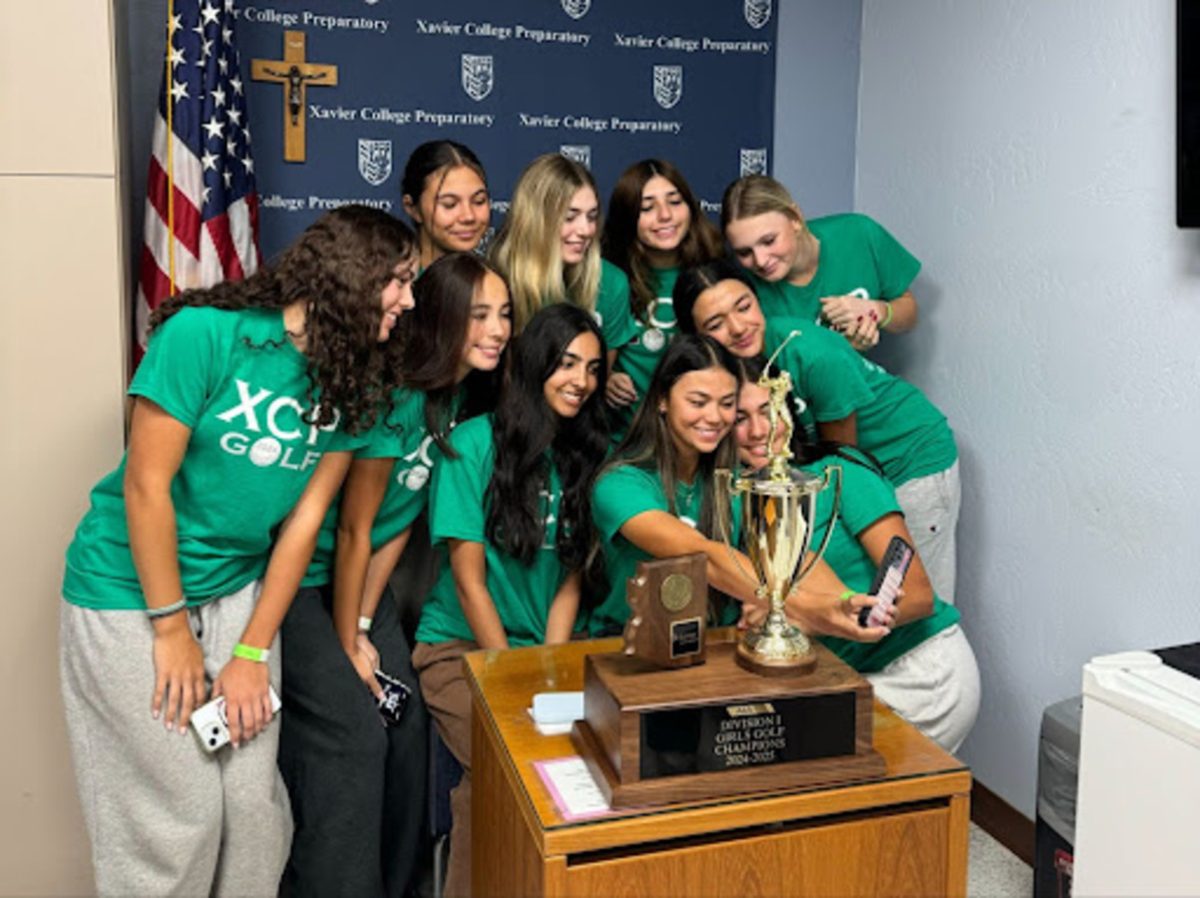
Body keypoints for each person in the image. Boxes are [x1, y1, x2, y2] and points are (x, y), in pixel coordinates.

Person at [59, 206, 415, 896]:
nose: (407, 300)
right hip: (129, 590)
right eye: (397, 281)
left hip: (236, 593)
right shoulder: (206, 336)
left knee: (254, 813)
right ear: (349, 274)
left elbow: (305, 524)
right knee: (181, 817)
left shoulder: (353, 381)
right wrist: (169, 628)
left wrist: (251, 652)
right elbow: (145, 486)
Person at [276, 253, 509, 898]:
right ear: (442, 318)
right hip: (303, 582)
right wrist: (351, 634)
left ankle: (404, 886)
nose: (496, 329)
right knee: (355, 736)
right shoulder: (393, 390)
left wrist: (364, 621)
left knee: (403, 725)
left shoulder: (465, 400)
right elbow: (353, 528)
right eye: (479, 315)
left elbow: (396, 523)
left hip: (360, 588)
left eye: (504, 315)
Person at [412, 304, 609, 898]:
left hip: (546, 651)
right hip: (461, 650)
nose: (581, 380)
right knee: (500, 768)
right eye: (567, 363)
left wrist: (548, 667)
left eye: (593, 367)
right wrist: (513, 676)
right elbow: (469, 581)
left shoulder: (587, 456)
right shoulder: (471, 444)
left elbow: (571, 578)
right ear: (534, 364)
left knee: (589, 764)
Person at [674, 260, 962, 604]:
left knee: (914, 596)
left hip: (908, 460)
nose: (738, 328)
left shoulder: (809, 352)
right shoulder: (722, 373)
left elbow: (844, 460)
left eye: (744, 306)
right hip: (859, 473)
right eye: (715, 323)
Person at [733, 357, 980, 751]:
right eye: (739, 418)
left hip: (918, 671)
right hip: (838, 675)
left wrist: (807, 618)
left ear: (790, 412)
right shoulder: (736, 497)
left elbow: (919, 597)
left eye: (768, 411)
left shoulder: (840, 474)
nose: (759, 430)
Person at [589, 334, 892, 641]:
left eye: (727, 404)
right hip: (630, 642)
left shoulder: (739, 480)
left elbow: (792, 557)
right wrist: (808, 608)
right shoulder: (620, 484)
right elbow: (699, 554)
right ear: (662, 400)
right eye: (698, 402)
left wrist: (841, 603)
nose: (714, 417)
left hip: (717, 642)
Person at [722, 174, 920, 351]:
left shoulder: (859, 234)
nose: (761, 261)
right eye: (744, 252)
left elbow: (909, 311)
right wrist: (840, 352)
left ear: (795, 219)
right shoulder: (740, 287)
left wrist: (877, 311)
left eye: (769, 241)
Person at [602, 159, 723, 432]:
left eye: (675, 202)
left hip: (699, 438)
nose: (665, 215)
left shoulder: (716, 270)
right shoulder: (609, 279)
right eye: (647, 208)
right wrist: (606, 380)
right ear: (627, 217)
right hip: (625, 441)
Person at [489, 153, 639, 359]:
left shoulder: (611, 283)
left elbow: (596, 379)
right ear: (536, 219)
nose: (585, 230)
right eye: (570, 217)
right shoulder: (496, 280)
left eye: (592, 216)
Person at [401, 140, 491, 269]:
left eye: (479, 201)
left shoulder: (494, 282)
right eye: (450, 204)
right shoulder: (393, 284)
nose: (469, 216)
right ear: (412, 208)